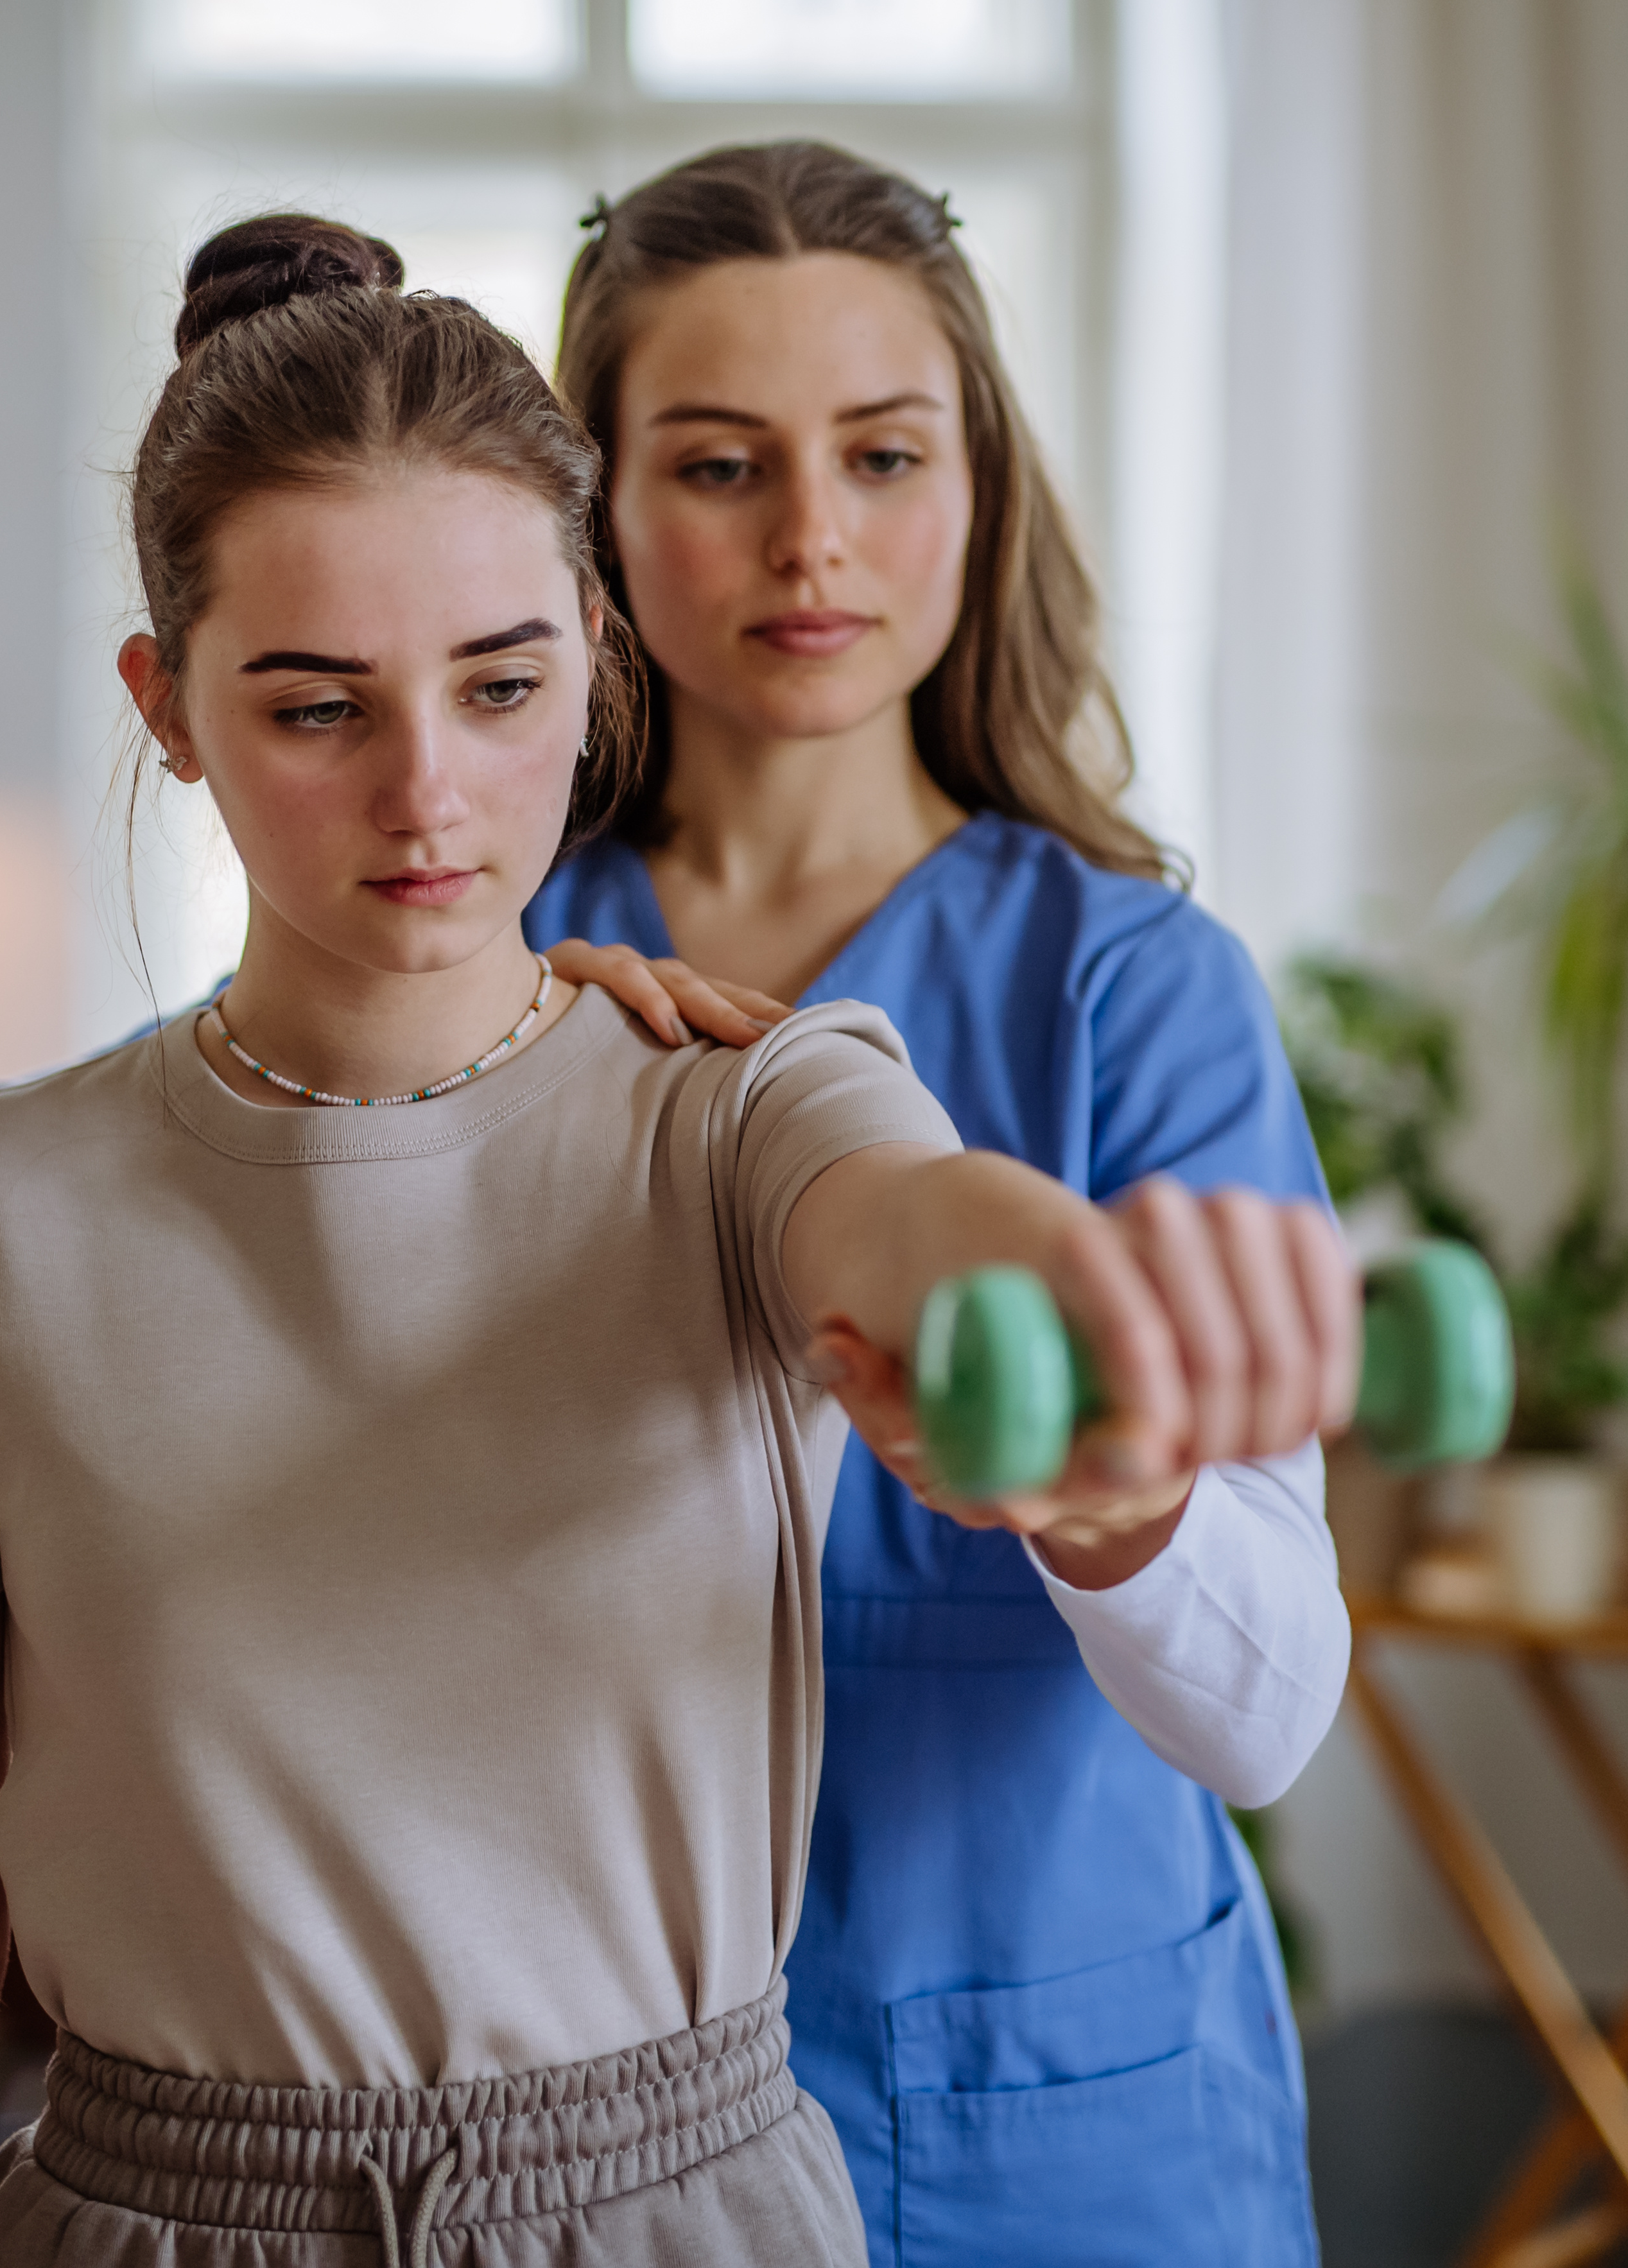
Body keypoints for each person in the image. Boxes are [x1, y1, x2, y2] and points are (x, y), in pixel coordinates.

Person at [0, 216, 1355, 2268]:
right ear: (172, 705)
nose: (426, 791)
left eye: (497, 686)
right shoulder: (33, 1189)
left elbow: (918, 1214)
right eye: (319, 708)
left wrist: (1089, 1340)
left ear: (576, 653)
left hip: (937, 2112)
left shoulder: (769, 1084)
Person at [524, 142, 1347, 2266]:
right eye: (719, 466)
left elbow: (1266, 1711)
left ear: (980, 484)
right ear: (595, 508)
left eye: (884, 456)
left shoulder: (1131, 988)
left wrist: (1116, 1505)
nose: (814, 540)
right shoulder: (492, 980)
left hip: (1077, 2134)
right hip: (580, 2128)